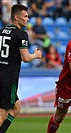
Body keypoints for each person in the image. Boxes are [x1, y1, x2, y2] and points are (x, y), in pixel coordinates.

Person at [0, 4, 42, 133]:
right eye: (25, 16)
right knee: (2, 115)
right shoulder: (21, 34)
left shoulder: (2, 32)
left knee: (16, 107)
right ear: (16, 17)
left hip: (1, 74)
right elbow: (25, 57)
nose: (28, 19)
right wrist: (36, 55)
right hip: (8, 79)